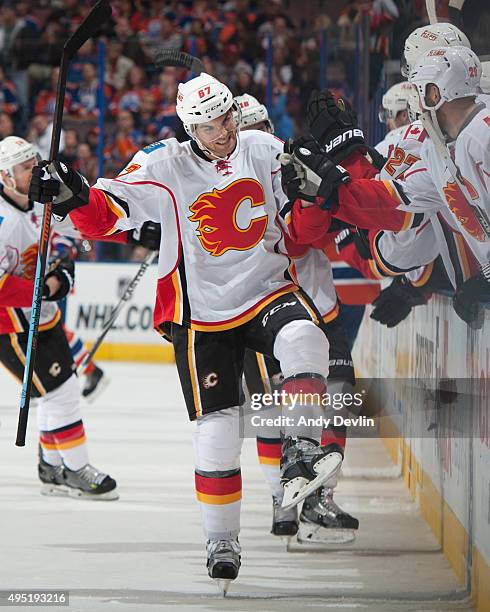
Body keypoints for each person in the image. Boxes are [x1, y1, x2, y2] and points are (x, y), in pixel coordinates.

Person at [29, 73, 344, 592]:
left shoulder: (263, 147)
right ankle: (222, 541)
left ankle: (303, 449)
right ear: (189, 127)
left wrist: (318, 188)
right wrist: (72, 194)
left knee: (306, 338)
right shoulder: (162, 162)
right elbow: (108, 215)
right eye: (210, 124)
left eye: (226, 118)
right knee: (217, 430)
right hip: (203, 314)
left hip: (266, 288)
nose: (223, 131)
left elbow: (304, 217)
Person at [281, 46, 489, 329]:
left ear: (434, 93)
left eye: (417, 90)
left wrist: (347, 157)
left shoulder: (480, 135)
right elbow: (398, 200)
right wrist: (327, 192)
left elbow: (385, 245)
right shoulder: (435, 150)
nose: (414, 104)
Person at [237, 92, 359, 544]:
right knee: (273, 413)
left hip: (317, 306)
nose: (256, 138)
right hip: (264, 314)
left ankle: (319, 497)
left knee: (339, 399)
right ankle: (282, 498)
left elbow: (319, 226)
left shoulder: (292, 168)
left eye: (261, 128)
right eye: (245, 130)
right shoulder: (223, 185)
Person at [0, 136, 118, 500]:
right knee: (61, 391)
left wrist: (63, 265)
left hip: (42, 317)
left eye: (35, 161)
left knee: (58, 390)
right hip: (10, 326)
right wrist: (46, 288)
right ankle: (75, 468)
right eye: (24, 167)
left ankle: (52, 466)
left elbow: (73, 232)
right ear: (5, 176)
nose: (34, 170)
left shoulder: (40, 200)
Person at [375, 81, 412, 158]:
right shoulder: (432, 143)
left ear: (404, 115)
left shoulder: (380, 151)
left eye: (388, 115)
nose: (387, 122)